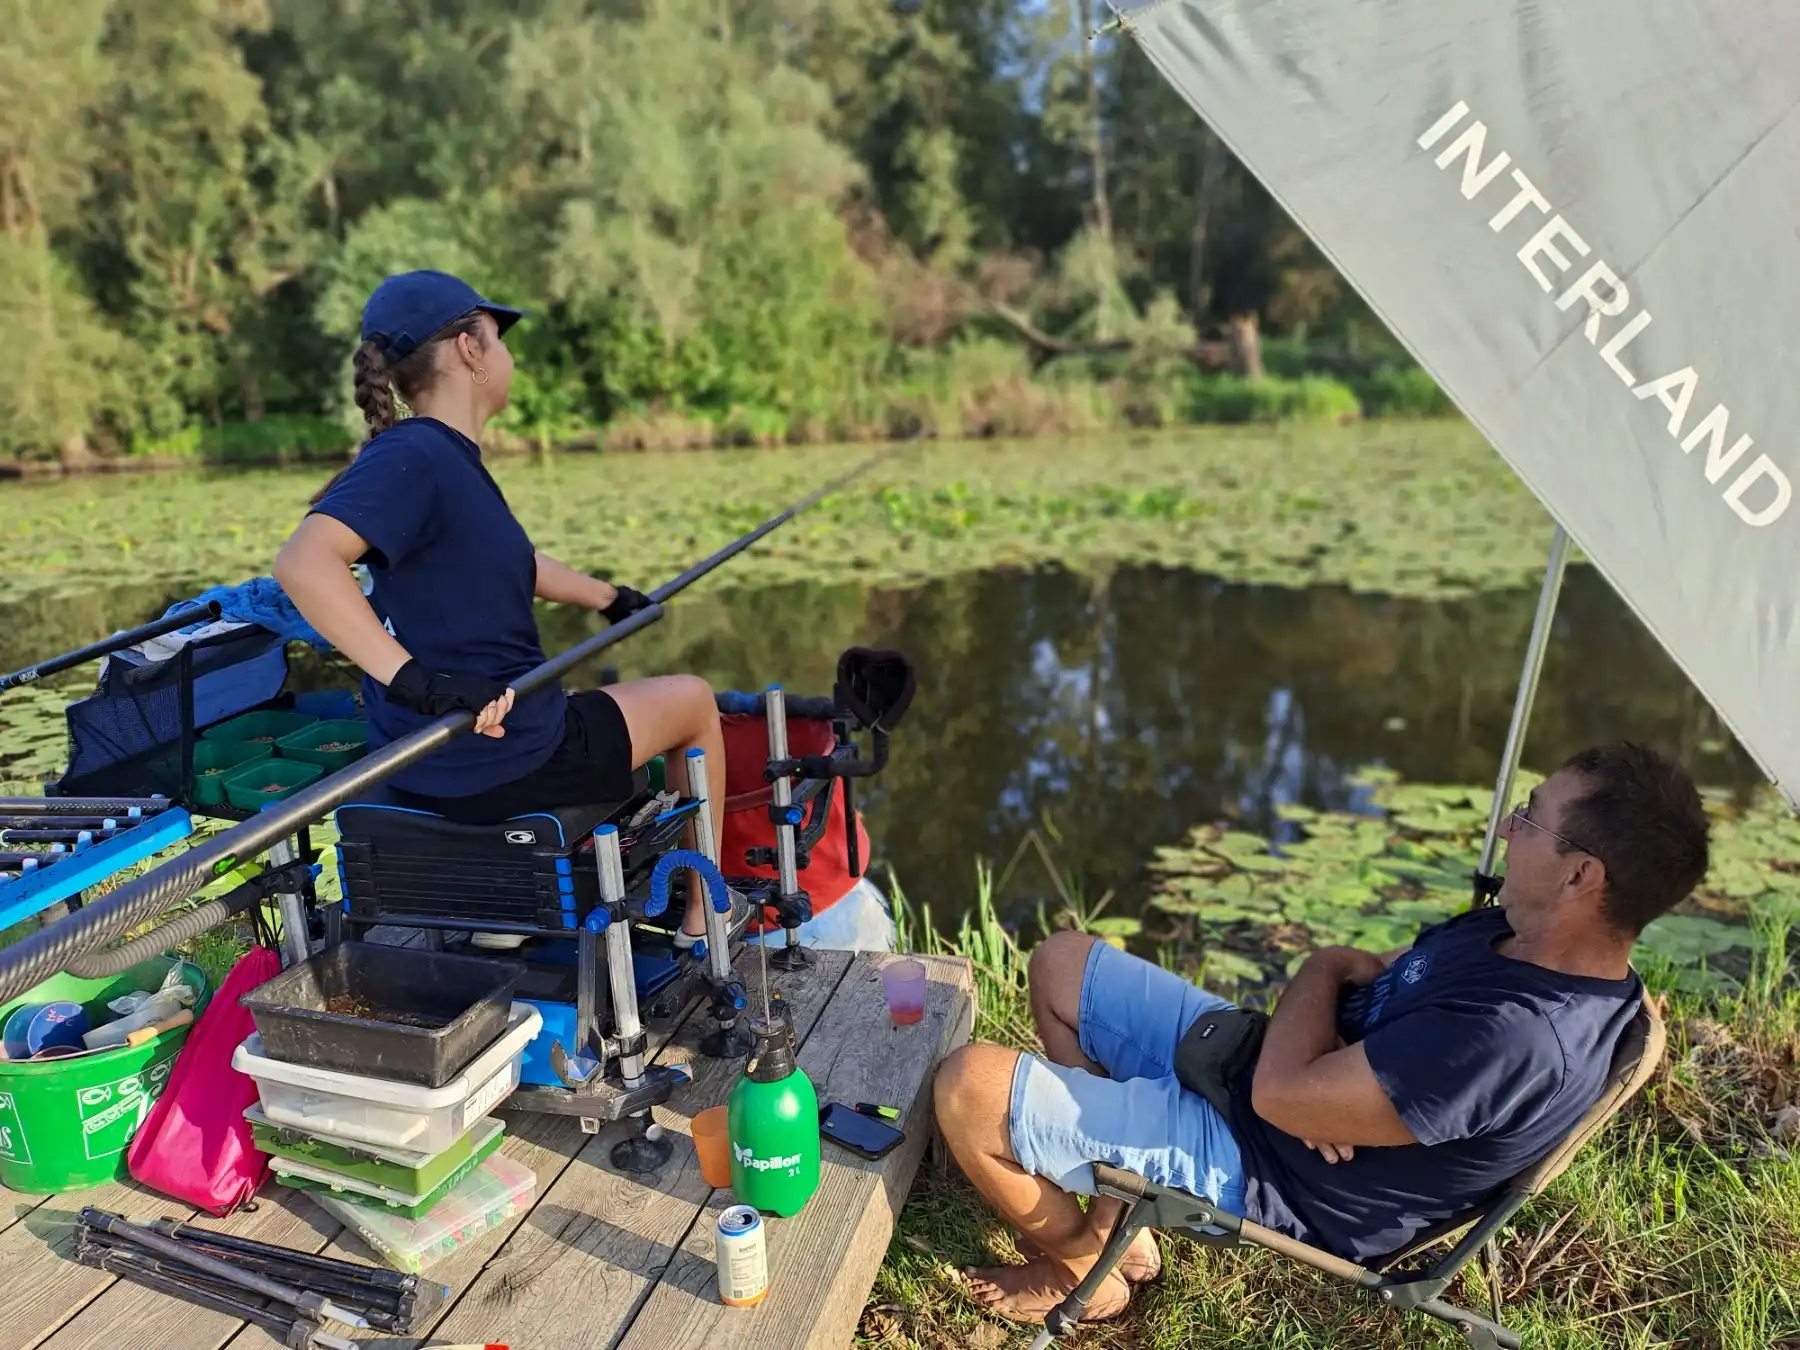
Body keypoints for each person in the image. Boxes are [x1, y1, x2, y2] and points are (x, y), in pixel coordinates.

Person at [931, 742, 1710, 1325]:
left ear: (1582, 877)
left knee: (967, 1088)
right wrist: (1327, 1039)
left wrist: (1325, 966)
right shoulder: (1517, 928)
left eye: (1532, 818)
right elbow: (1374, 984)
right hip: (1278, 1085)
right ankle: (1114, 1221)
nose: (1508, 827)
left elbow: (1289, 1082)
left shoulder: (1518, 1037)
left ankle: (1080, 1270)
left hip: (1270, 1172)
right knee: (1063, 963)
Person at [273, 269, 727, 947]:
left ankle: (518, 915)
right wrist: (417, 680)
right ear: (468, 348)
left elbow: (510, 562)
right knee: (693, 701)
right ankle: (707, 916)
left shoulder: (435, 459)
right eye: (498, 337)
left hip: (439, 756)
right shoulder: (421, 455)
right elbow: (304, 562)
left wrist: (607, 598)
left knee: (591, 697)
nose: (507, 355)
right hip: (505, 761)